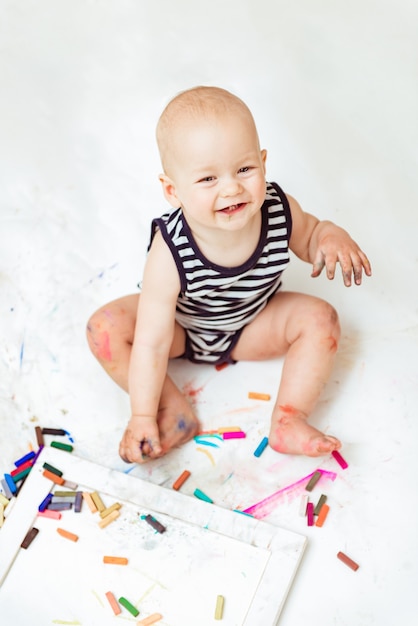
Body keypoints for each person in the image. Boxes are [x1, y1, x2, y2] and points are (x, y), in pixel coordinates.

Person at [86, 86, 371, 464]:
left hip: (252, 325)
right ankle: (173, 411)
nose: (232, 187)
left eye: (244, 169)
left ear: (263, 163)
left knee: (322, 319)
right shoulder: (169, 253)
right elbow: (152, 343)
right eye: (208, 179)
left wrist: (330, 236)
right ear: (173, 191)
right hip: (182, 331)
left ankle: (289, 419)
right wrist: (141, 415)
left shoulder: (277, 209)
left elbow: (312, 235)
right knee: (104, 329)